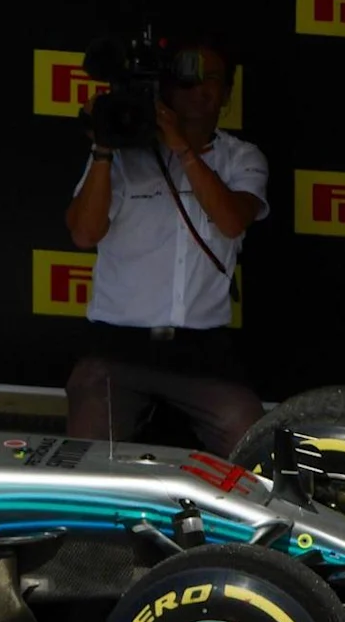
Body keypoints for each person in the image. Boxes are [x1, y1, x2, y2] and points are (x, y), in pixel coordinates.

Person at [61, 34, 271, 452]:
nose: (199, 88)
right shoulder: (122, 154)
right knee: (85, 450)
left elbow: (231, 220)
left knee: (250, 438)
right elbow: (84, 234)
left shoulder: (242, 158)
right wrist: (103, 146)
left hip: (203, 352)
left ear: (228, 93)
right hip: (117, 349)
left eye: (212, 78)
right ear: (166, 88)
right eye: (188, 78)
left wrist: (182, 148)